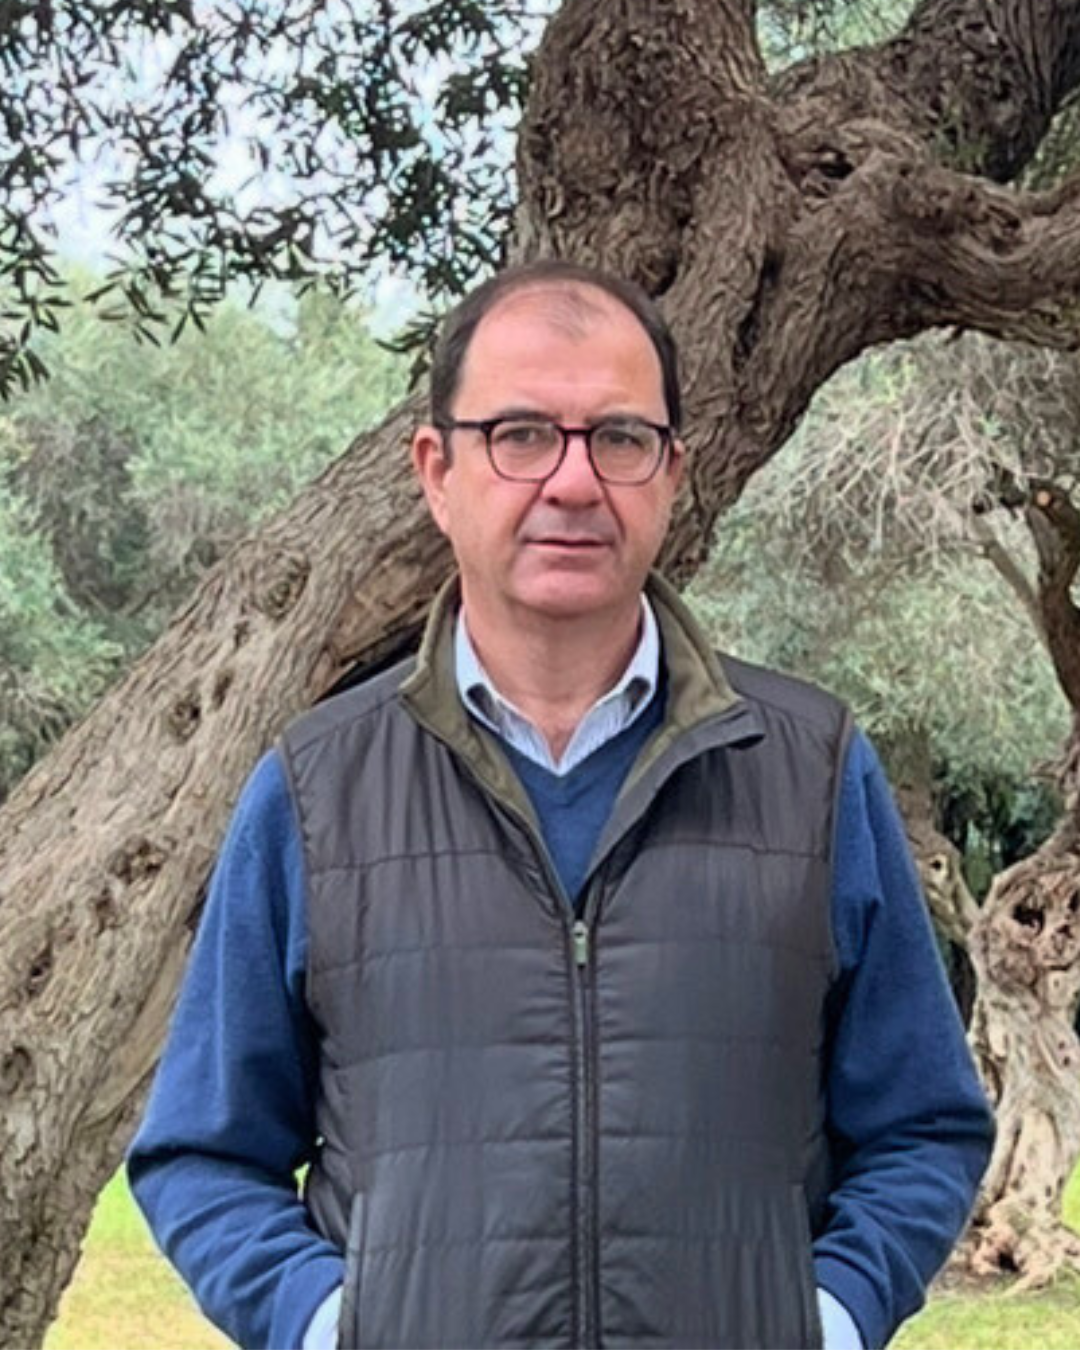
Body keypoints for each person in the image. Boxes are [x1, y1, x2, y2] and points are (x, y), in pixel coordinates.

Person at [128, 259, 993, 1350]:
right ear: (437, 472)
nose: (574, 483)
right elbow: (202, 1154)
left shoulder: (813, 771)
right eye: (522, 435)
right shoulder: (315, 789)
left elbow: (924, 1127)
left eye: (619, 438)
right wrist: (332, 1326)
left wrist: (824, 1319)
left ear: (671, 473)